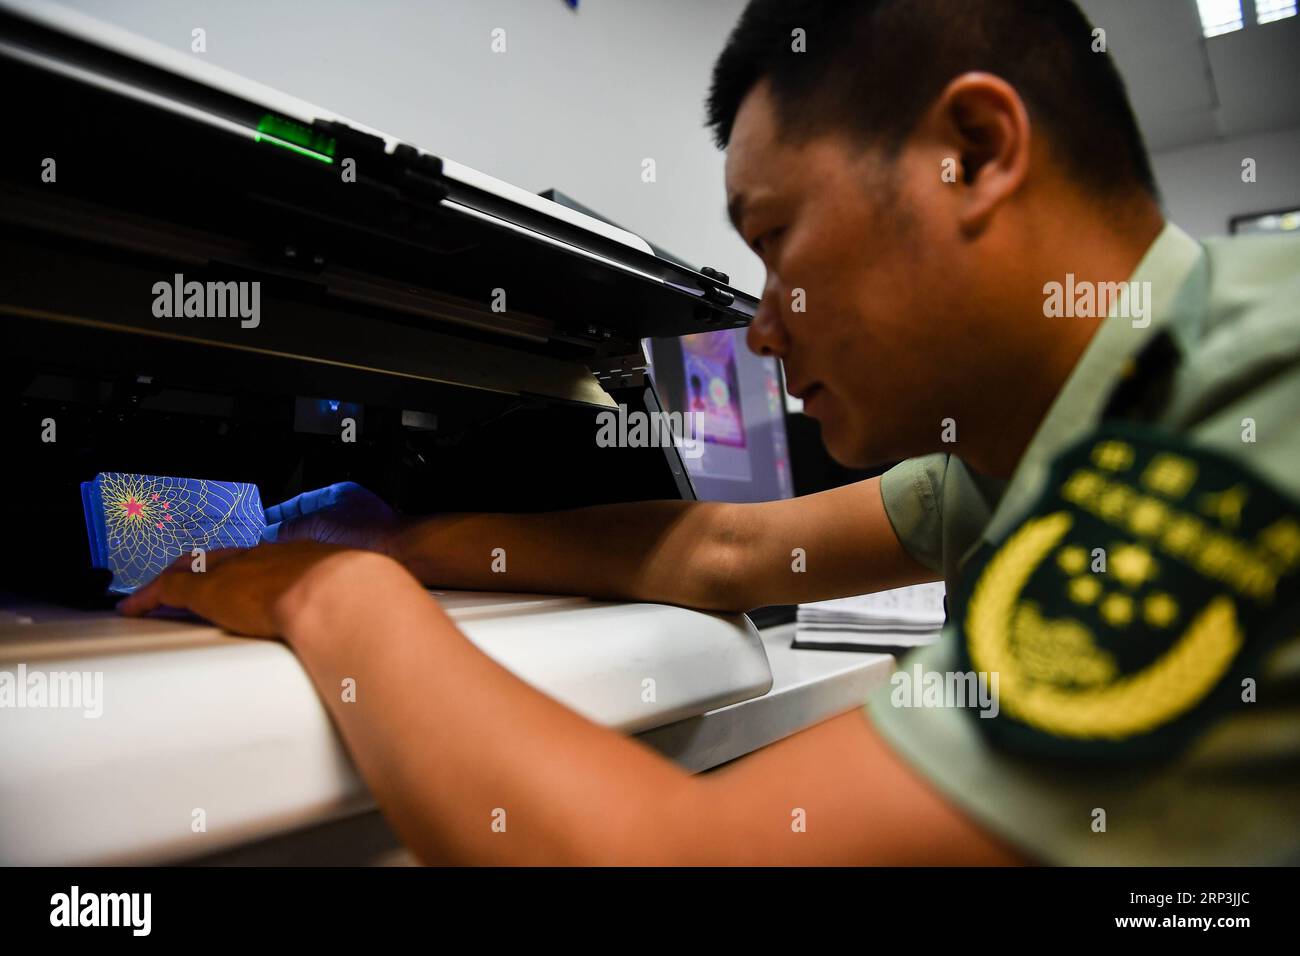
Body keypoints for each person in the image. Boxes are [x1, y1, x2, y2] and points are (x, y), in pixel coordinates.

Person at [120, 0, 1300, 865]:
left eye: (776, 240)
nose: (767, 332)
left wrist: (322, 598)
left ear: (975, 154)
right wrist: (408, 543)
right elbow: (729, 552)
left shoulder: (1243, 414)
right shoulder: (1045, 432)